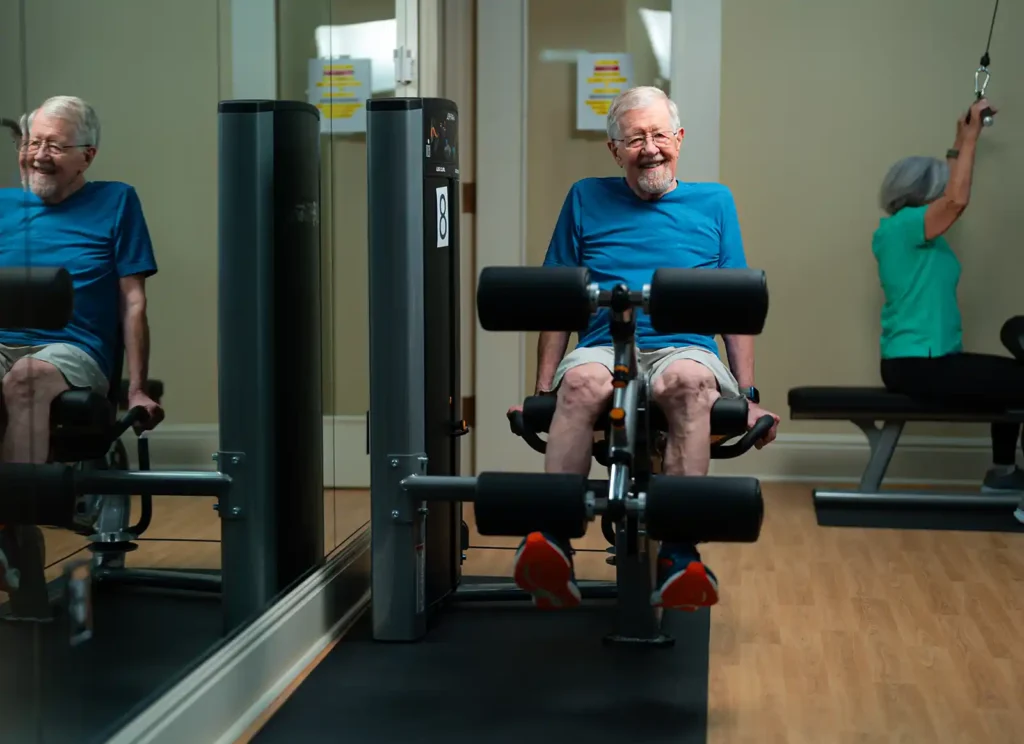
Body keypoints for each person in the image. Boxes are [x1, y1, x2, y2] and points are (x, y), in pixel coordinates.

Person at [509, 86, 780, 612]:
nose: (650, 148)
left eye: (659, 135)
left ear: (679, 139)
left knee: (689, 382)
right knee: (585, 383)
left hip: (686, 348)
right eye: (635, 139)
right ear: (614, 150)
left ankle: (678, 555)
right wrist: (542, 392)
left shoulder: (715, 202)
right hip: (602, 346)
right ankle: (553, 548)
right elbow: (556, 302)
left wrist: (746, 394)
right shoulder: (585, 197)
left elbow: (735, 309)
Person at [0, 95, 164, 609]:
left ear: (87, 156)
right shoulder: (3, 205)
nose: (38, 155)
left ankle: (15, 533)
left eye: (53, 144)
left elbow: (133, 301)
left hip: (72, 348)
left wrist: (136, 388)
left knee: (27, 377)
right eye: (31, 142)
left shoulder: (116, 201)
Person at [872, 97, 1024, 523]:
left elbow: (950, 194)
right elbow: (956, 200)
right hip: (919, 364)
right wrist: (973, 139)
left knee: (1012, 375)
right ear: (924, 195)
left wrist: (960, 139)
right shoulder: (904, 229)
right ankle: (1005, 473)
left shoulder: (920, 235)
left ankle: (1003, 473)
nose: (946, 192)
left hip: (932, 360)